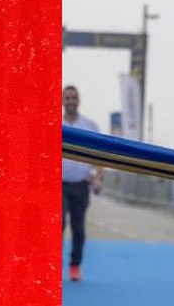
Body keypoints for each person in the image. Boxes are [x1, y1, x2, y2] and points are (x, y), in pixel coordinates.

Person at [62, 85, 103, 283]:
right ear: (62, 101)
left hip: (81, 184)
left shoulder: (89, 125)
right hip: (59, 184)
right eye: (67, 98)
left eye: (74, 98)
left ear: (79, 100)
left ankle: (75, 266)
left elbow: (100, 155)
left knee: (78, 228)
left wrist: (98, 177)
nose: (71, 101)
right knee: (58, 223)